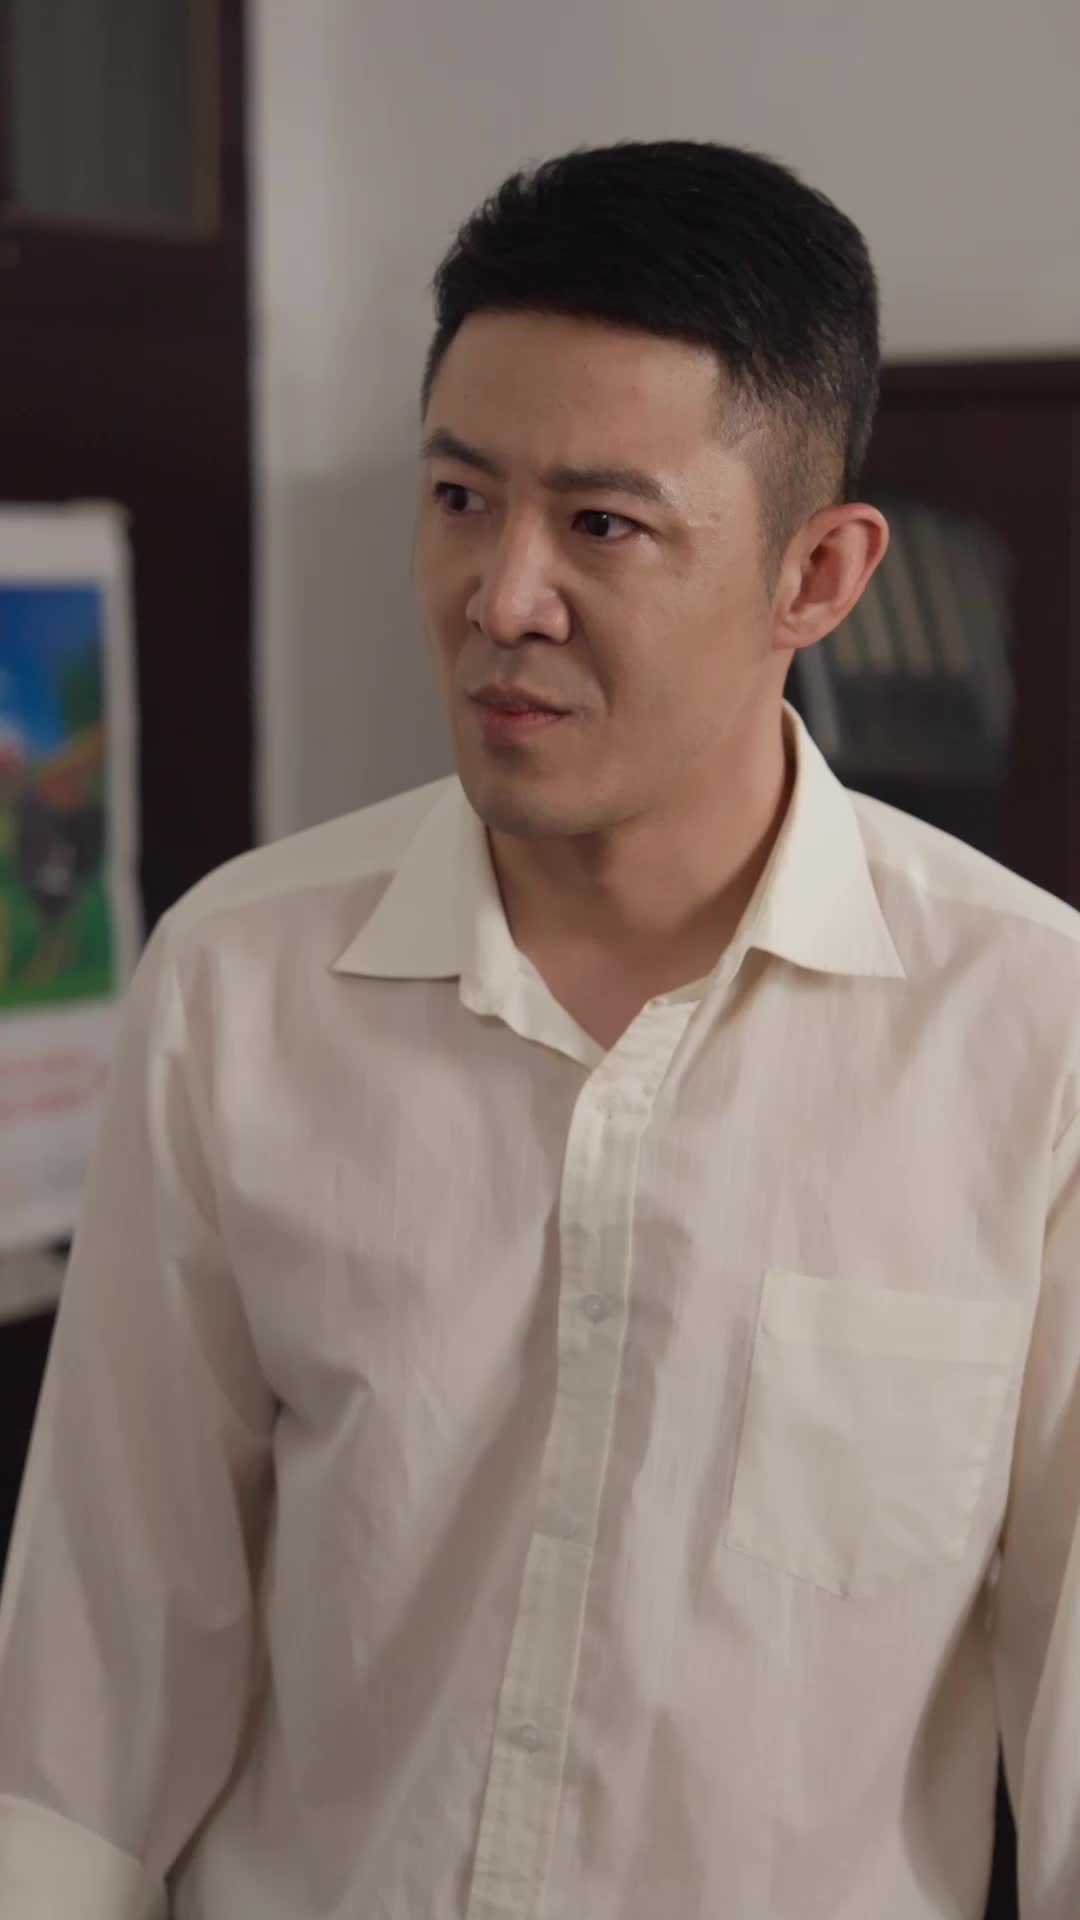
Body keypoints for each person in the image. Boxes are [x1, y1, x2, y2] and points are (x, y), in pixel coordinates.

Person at [0, 138, 1077, 1920]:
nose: (502, 597)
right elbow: (90, 1715)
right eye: (458, 497)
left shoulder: (1030, 1038)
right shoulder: (238, 984)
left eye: (602, 524)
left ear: (817, 575)